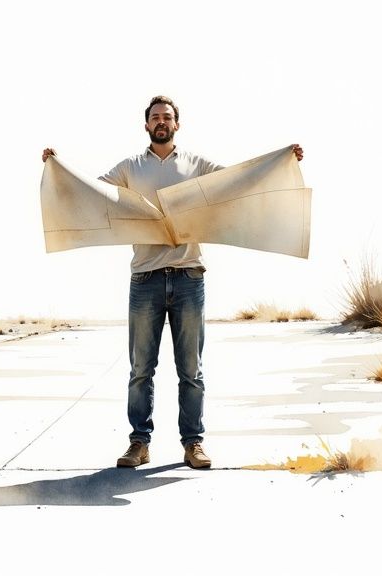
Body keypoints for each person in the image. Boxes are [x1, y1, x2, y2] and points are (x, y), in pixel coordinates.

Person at [41, 95, 302, 469]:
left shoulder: (197, 165)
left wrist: (283, 161)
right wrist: (57, 168)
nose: (161, 122)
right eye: (154, 117)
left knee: (191, 370)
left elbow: (239, 181)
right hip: (144, 278)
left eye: (167, 117)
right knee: (140, 370)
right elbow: (89, 192)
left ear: (177, 124)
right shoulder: (130, 167)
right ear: (145, 125)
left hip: (188, 277)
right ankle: (138, 443)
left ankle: (193, 443)